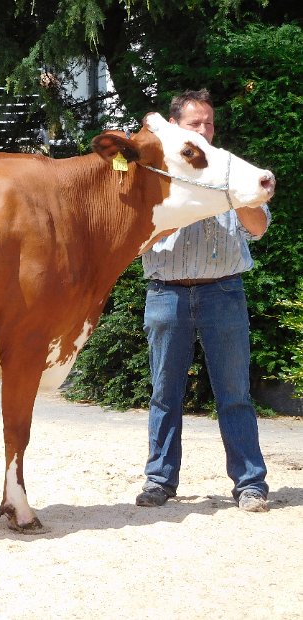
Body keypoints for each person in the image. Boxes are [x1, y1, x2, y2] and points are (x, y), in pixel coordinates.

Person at [135, 88, 271, 512]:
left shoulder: (231, 169)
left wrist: (230, 194)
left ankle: (250, 484)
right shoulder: (155, 175)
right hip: (166, 294)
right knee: (164, 393)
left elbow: (259, 227)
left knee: (234, 393)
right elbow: (132, 239)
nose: (205, 129)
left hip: (223, 292)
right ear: (174, 127)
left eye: (209, 122)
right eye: (195, 124)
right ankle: (159, 481)